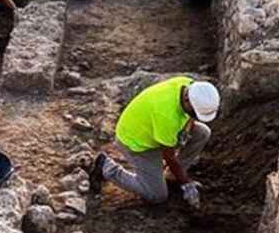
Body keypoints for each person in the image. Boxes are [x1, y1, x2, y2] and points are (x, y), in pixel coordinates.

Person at [88, 76, 220, 210]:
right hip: (136, 142)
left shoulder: (188, 85)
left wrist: (187, 130)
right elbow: (169, 157)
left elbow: (190, 116)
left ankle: (172, 176)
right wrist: (186, 184)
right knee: (157, 196)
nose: (194, 116)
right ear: (187, 100)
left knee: (203, 133)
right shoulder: (167, 116)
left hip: (154, 129)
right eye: (194, 112)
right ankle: (106, 167)